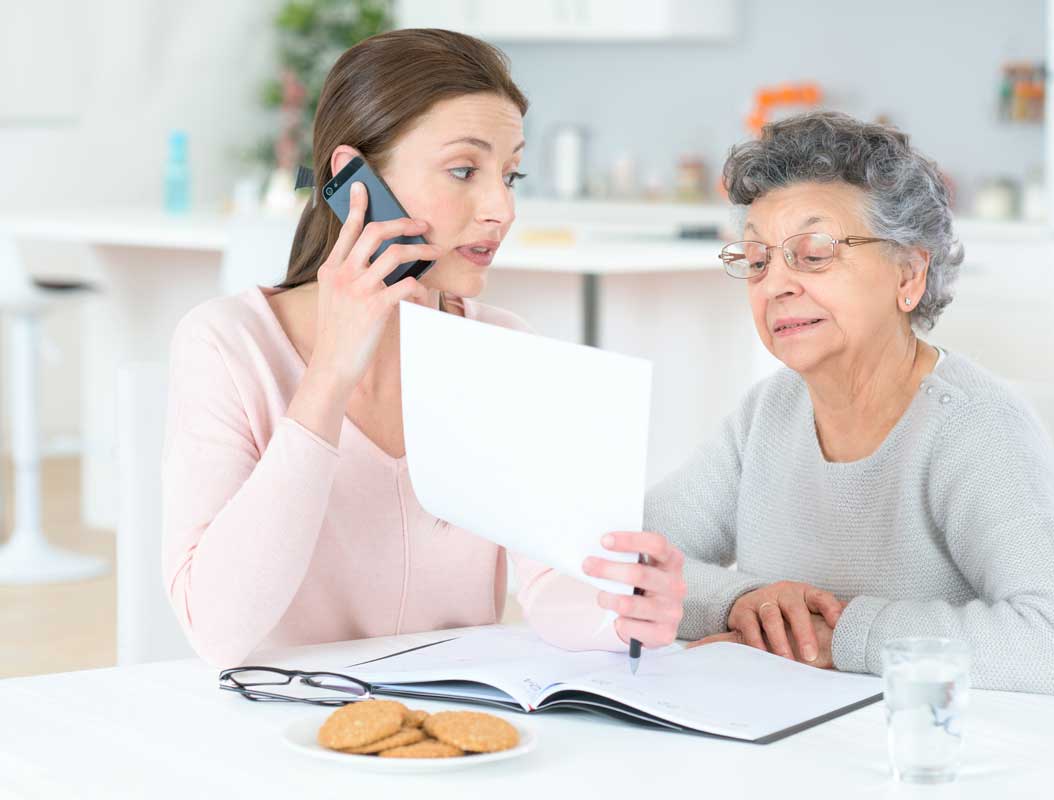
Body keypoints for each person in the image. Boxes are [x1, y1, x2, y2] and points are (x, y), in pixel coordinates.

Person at [161, 29, 683, 667]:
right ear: (355, 181)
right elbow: (218, 630)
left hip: (459, 733)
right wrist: (330, 374)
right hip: (288, 735)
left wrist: (624, 614)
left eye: (510, 174)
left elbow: (551, 588)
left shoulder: (504, 348)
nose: (501, 209)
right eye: (464, 170)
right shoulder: (227, 346)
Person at [641, 110, 1054, 708]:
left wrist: (842, 632)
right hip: (810, 748)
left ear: (910, 273)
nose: (776, 285)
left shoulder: (974, 425)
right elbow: (630, 556)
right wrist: (750, 605)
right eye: (757, 259)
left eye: (814, 252)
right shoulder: (769, 412)